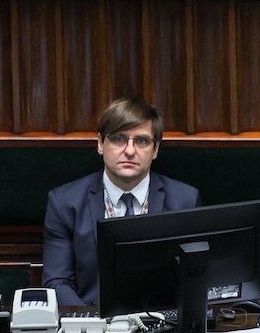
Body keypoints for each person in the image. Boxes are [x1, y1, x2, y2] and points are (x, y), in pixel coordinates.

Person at [43, 98, 201, 307]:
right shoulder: (64, 202)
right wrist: (93, 325)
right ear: (100, 144)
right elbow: (57, 282)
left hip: (163, 329)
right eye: (119, 139)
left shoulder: (186, 200)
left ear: (155, 149)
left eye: (142, 141)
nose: (129, 150)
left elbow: (195, 278)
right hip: (93, 329)